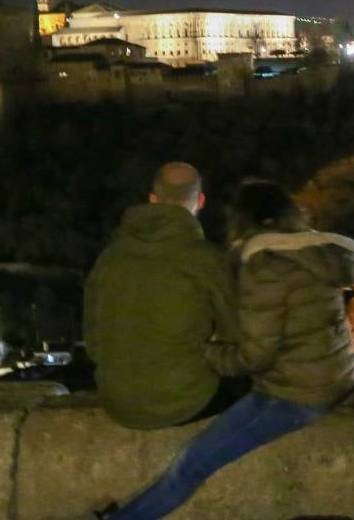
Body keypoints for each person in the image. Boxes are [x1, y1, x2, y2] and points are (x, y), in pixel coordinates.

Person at [18, 179, 354, 520]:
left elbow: (255, 354)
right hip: (330, 376)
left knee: (191, 464)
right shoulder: (317, 252)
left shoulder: (265, 265)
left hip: (298, 395)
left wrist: (207, 353)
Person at [83, 161, 244, 430]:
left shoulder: (109, 257)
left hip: (117, 402)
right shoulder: (206, 259)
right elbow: (238, 338)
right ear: (200, 200)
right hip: (185, 401)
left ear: (153, 199)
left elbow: (94, 344)